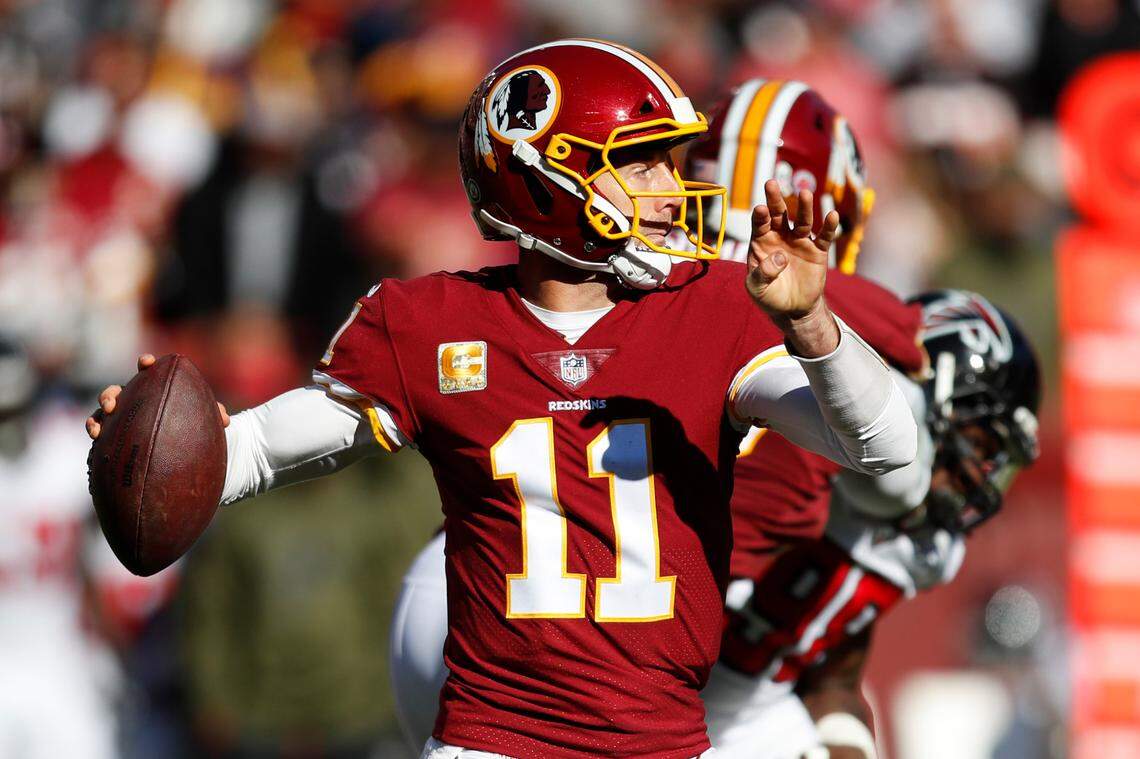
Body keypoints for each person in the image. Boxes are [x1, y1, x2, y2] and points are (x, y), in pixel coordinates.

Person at [88, 40, 916, 758]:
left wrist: (811, 322)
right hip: (493, 737)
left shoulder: (713, 309)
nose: (674, 188)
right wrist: (147, 449)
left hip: (665, 738)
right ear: (547, 175)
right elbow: (252, 453)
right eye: (643, 162)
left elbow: (883, 444)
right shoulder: (429, 323)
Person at [387, 78, 916, 754]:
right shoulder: (825, 306)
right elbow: (900, 461)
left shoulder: (618, 268)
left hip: (469, 595)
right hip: (605, 640)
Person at [705, 290, 1042, 759]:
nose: (979, 475)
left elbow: (835, 679)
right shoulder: (798, 451)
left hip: (751, 715)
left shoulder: (918, 546)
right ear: (930, 398)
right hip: (665, 692)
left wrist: (850, 744)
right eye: (980, 444)